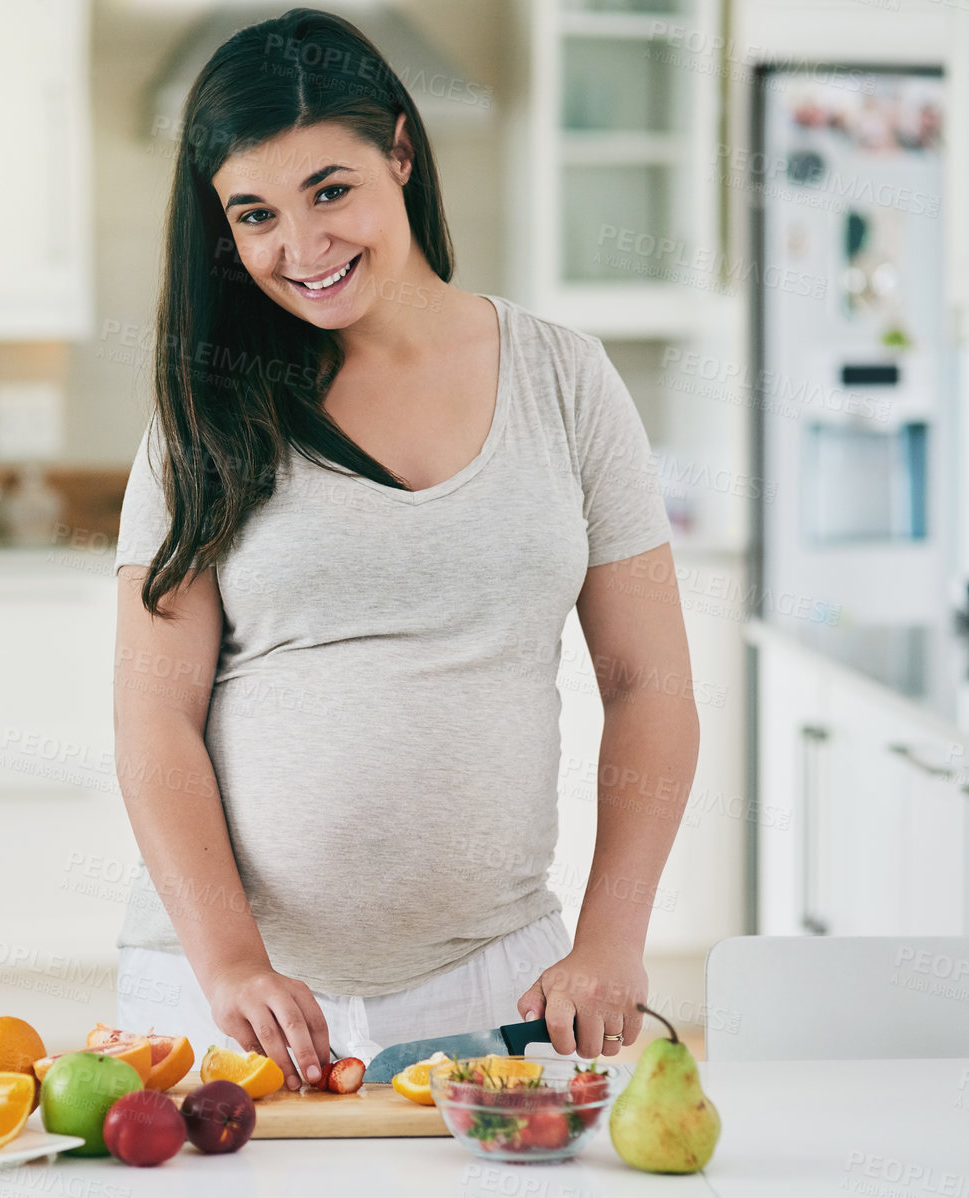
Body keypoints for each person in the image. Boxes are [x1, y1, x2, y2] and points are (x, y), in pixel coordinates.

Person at [110, 8, 699, 1092]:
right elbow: (153, 715)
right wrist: (229, 961)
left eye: (328, 190)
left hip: (493, 986)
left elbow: (646, 681)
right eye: (253, 213)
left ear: (398, 150)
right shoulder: (203, 414)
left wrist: (612, 937)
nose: (301, 248)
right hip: (231, 996)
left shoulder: (563, 380)